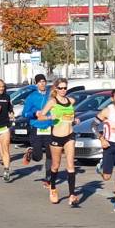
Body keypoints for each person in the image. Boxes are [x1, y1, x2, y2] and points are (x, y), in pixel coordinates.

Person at [37, 78, 79, 206]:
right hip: (56, 137)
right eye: (60, 88)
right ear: (56, 88)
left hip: (69, 136)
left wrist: (75, 120)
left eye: (65, 88)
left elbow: (71, 116)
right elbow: (40, 116)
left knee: (71, 165)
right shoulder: (52, 102)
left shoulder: (71, 101)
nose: (63, 90)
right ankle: (53, 188)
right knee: (55, 165)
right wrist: (50, 117)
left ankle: (72, 195)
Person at [93, 88, 115, 213]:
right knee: (107, 177)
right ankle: (100, 168)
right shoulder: (107, 111)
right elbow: (93, 125)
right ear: (113, 99)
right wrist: (101, 139)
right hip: (109, 145)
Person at [21, 74, 53, 188]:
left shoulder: (51, 95)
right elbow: (24, 113)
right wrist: (34, 114)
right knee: (38, 156)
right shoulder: (31, 97)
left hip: (49, 127)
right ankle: (31, 151)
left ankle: (48, 179)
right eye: (40, 82)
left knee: (50, 155)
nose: (42, 84)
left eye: (44, 81)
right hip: (36, 127)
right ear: (36, 84)